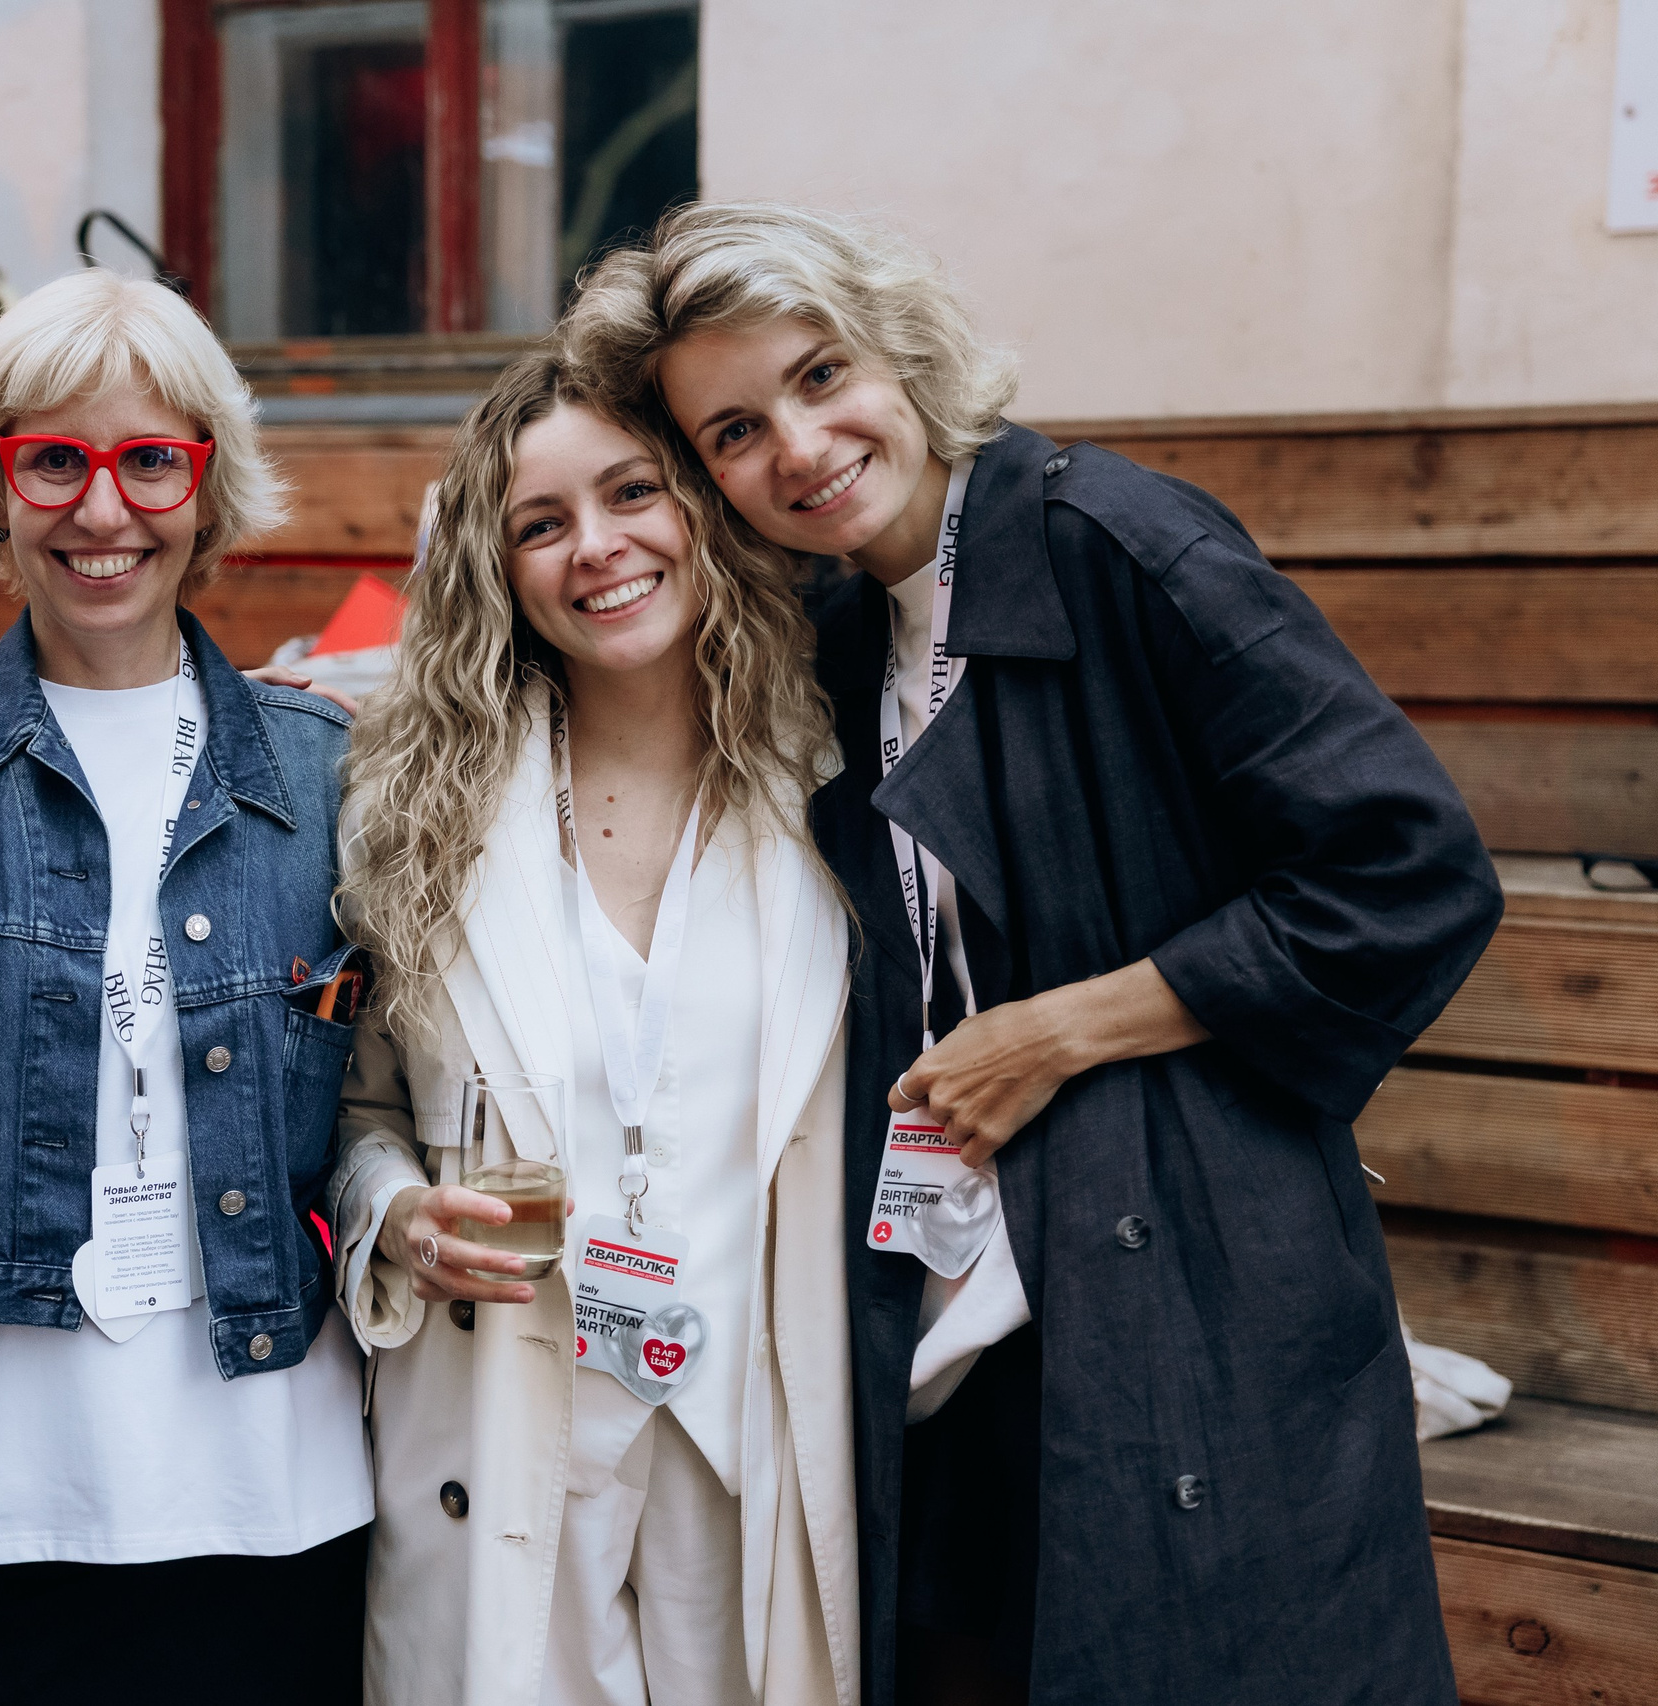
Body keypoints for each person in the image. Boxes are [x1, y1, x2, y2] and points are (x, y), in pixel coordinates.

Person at [564, 201, 1504, 1706]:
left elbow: (1409, 870)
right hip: (948, 1282)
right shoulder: (840, 622)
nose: (797, 447)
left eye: (820, 376)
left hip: (1182, 1268)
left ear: (900, 348)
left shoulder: (1121, 545)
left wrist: (1062, 1028)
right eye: (736, 429)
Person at [0, 267, 372, 1705]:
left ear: (205, 487)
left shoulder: (328, 768)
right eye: (54, 459)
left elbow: (389, 1090)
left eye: (150, 459)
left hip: (279, 1483)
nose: (101, 508)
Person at [327, 351, 858, 1706]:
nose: (597, 548)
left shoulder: (839, 775)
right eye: (541, 522)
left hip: (754, 1427)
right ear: (496, 567)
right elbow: (360, 1106)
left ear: (701, 508)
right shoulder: (418, 804)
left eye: (633, 493)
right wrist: (393, 1212)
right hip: (510, 1419)